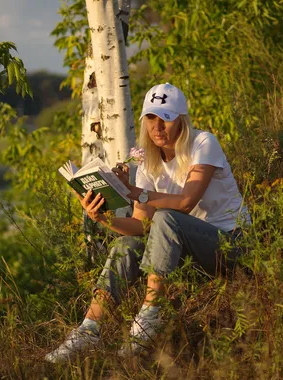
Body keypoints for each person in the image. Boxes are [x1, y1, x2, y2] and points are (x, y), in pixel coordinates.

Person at [45, 83, 250, 363]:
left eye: (166, 118)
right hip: (190, 250)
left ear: (181, 120)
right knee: (127, 244)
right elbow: (140, 226)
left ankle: (149, 317)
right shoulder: (148, 164)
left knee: (166, 216)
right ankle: (89, 330)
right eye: (151, 118)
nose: (158, 127)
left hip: (231, 243)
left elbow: (186, 202)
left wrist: (134, 192)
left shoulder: (203, 143)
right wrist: (102, 217)